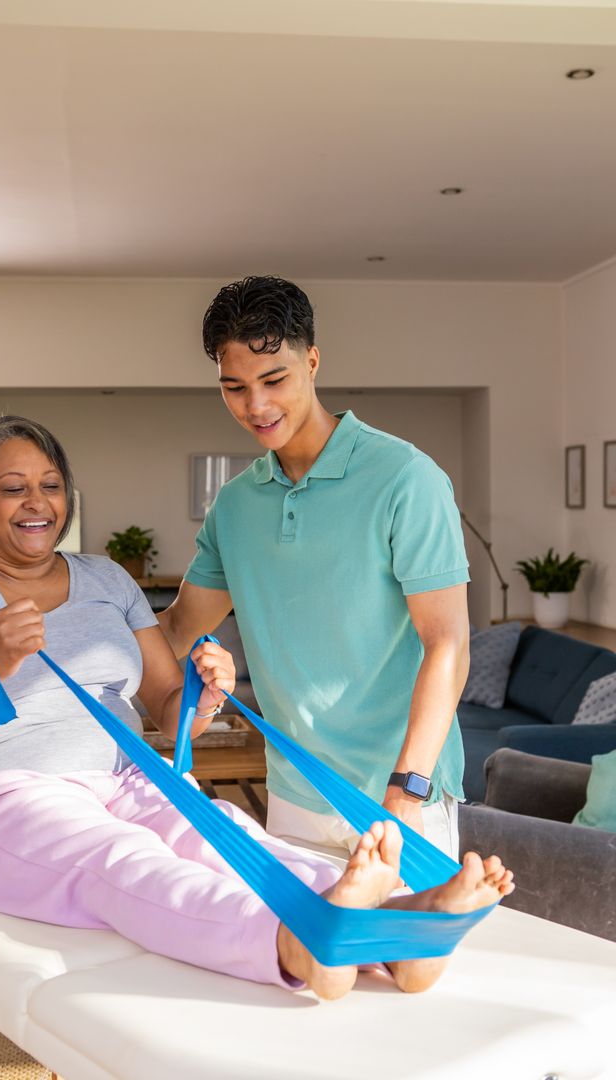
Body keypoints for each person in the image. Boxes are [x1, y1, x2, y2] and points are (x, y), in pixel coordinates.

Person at [0, 415, 512, 999]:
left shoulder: (108, 580)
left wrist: (204, 692)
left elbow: (168, 707)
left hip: (132, 779)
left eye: (51, 485)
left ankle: (394, 934)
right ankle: (294, 944)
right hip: (0, 797)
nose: (38, 501)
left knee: (228, 837)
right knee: (121, 859)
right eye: (13, 488)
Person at [159, 276, 471, 860]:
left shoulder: (406, 477)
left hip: (398, 797)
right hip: (294, 795)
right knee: (292, 955)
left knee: (407, 956)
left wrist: (408, 791)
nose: (256, 406)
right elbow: (175, 630)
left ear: (313, 361)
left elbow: (448, 643)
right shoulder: (234, 506)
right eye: (235, 387)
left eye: (274, 380)